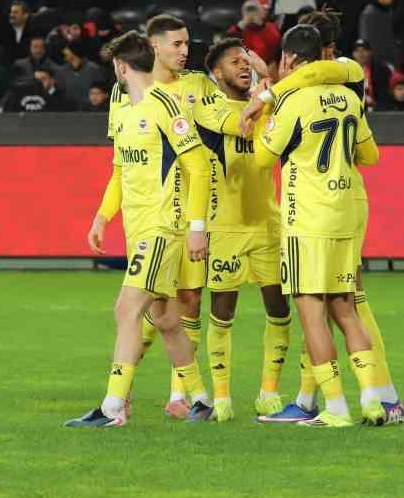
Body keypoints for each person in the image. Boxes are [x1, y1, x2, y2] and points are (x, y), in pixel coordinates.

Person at [67, 31, 213, 428]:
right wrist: (102, 216)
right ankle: (201, 398)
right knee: (165, 318)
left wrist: (197, 227)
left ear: (121, 66)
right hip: (137, 227)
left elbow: (199, 166)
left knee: (127, 307)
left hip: (163, 226)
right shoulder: (122, 106)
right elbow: (120, 169)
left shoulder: (166, 105)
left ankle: (113, 407)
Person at [246, 24, 384, 427]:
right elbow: (370, 155)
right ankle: (372, 402)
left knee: (311, 313)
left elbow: (261, 157)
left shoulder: (292, 101)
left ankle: (336, 408)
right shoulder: (347, 96)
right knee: (347, 310)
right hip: (344, 214)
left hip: (306, 219)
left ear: (288, 59)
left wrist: (261, 110)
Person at [194, 37, 290, 422]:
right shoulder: (208, 109)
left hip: (268, 224)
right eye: (235, 62)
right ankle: (221, 398)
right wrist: (266, 89)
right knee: (222, 314)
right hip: (226, 227)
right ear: (216, 73)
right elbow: (242, 124)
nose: (244, 66)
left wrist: (269, 83)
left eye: (246, 60)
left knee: (280, 311)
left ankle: (269, 392)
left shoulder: (266, 101)